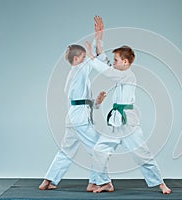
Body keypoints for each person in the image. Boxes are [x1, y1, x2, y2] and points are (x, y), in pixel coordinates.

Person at [85, 20, 171, 194]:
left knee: (142, 154)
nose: (113, 62)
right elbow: (104, 61)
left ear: (125, 62)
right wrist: (98, 36)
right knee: (99, 150)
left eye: (116, 60)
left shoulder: (128, 75)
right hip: (115, 124)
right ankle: (104, 183)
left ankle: (160, 183)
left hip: (129, 124)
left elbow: (106, 70)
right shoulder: (119, 72)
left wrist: (89, 56)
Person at [38, 17, 109, 192]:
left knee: (66, 150)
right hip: (80, 119)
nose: (87, 60)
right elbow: (94, 59)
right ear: (76, 59)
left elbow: (82, 100)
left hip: (73, 117)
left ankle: (49, 180)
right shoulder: (78, 70)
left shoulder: (75, 75)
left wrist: (96, 102)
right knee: (98, 148)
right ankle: (99, 182)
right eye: (83, 57)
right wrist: (97, 37)